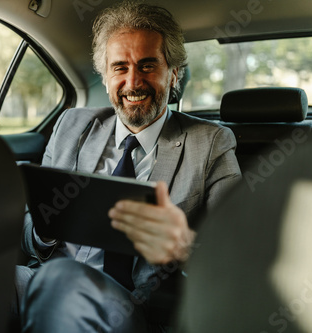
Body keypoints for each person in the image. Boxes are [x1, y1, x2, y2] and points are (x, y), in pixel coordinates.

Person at [16, 2, 241, 332]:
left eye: (148, 66)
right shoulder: (71, 125)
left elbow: (240, 248)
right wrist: (44, 230)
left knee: (63, 280)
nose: (133, 82)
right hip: (48, 281)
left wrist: (183, 244)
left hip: (139, 309)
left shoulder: (211, 142)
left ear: (173, 72)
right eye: (120, 68)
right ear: (106, 77)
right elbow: (27, 229)